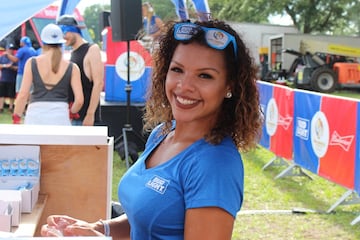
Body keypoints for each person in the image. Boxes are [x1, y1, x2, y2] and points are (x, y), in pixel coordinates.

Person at [40, 19, 262, 239]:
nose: (184, 86)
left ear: (229, 86)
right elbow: (146, 222)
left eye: (205, 75)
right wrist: (100, 229)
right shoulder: (162, 134)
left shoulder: (216, 164)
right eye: (177, 70)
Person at [12, 23, 83, 125]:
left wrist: (16, 117)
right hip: (60, 117)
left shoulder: (32, 63)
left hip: (35, 116)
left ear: (43, 42)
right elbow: (79, 100)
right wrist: (72, 113)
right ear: (61, 42)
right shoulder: (72, 67)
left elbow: (23, 95)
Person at [56, 15, 104, 126]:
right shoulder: (73, 53)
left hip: (85, 118)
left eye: (64, 34)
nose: (63, 38)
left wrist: (90, 114)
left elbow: (98, 83)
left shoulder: (92, 49)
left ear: (73, 30)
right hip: (73, 116)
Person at [0, 43, 18, 112]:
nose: (11, 51)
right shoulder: (2, 57)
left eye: (12, 49)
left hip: (12, 79)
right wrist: (5, 66)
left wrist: (12, 67)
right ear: (7, 49)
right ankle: (1, 107)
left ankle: (11, 107)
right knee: (1, 94)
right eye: (10, 49)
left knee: (11, 94)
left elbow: (18, 68)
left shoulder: (15, 58)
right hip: (3, 79)